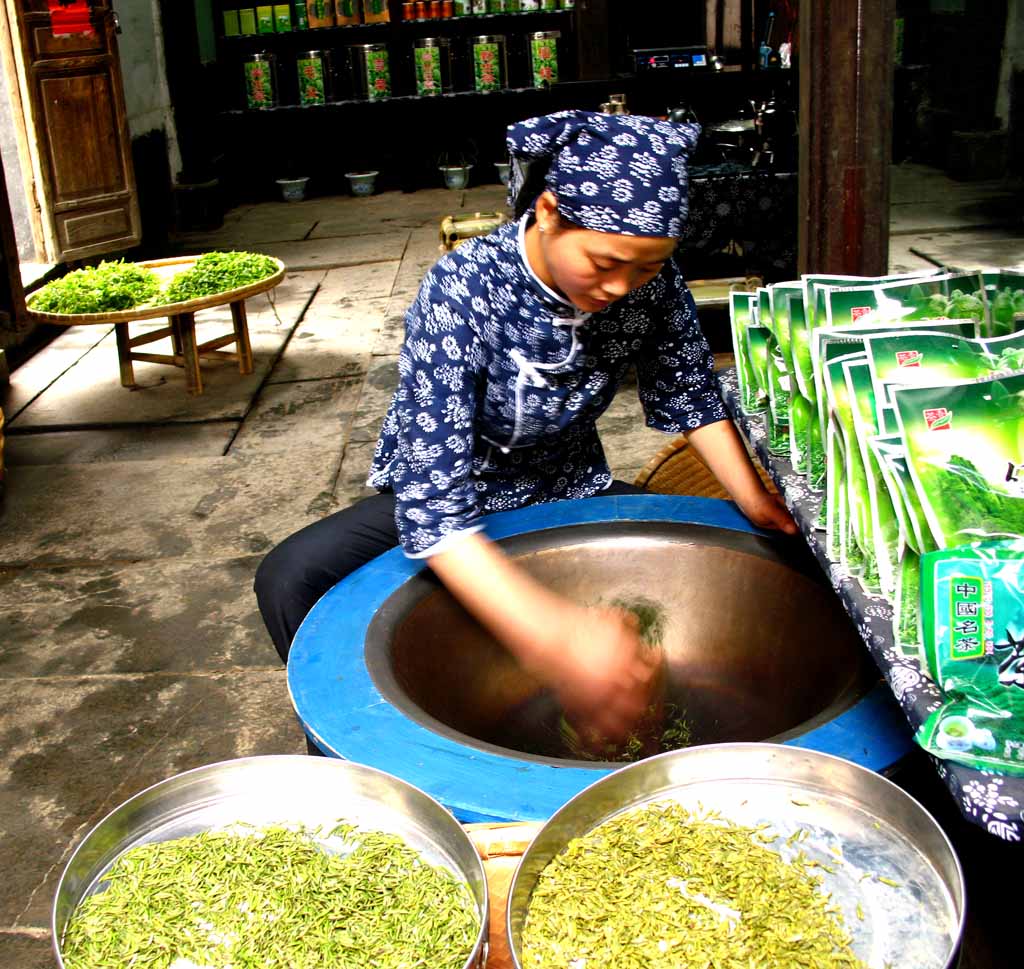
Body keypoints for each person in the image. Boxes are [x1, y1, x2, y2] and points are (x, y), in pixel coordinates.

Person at [255, 109, 796, 746]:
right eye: (603, 262)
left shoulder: (650, 283)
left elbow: (688, 391)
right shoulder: (461, 290)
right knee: (291, 576)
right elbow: (433, 509)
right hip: (459, 490)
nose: (622, 286)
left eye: (646, 267)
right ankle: (365, 746)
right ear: (546, 212)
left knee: (738, 556)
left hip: (571, 481)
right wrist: (561, 640)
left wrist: (755, 499)